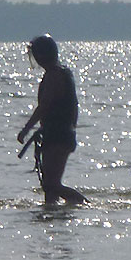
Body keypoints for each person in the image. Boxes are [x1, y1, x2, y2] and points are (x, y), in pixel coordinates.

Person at [17, 34, 87, 206]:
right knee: (49, 188)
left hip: (58, 135)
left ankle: (86, 205)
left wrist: (26, 129)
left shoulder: (54, 75)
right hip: (60, 133)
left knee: (51, 185)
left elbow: (45, 106)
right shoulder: (62, 73)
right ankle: (51, 217)